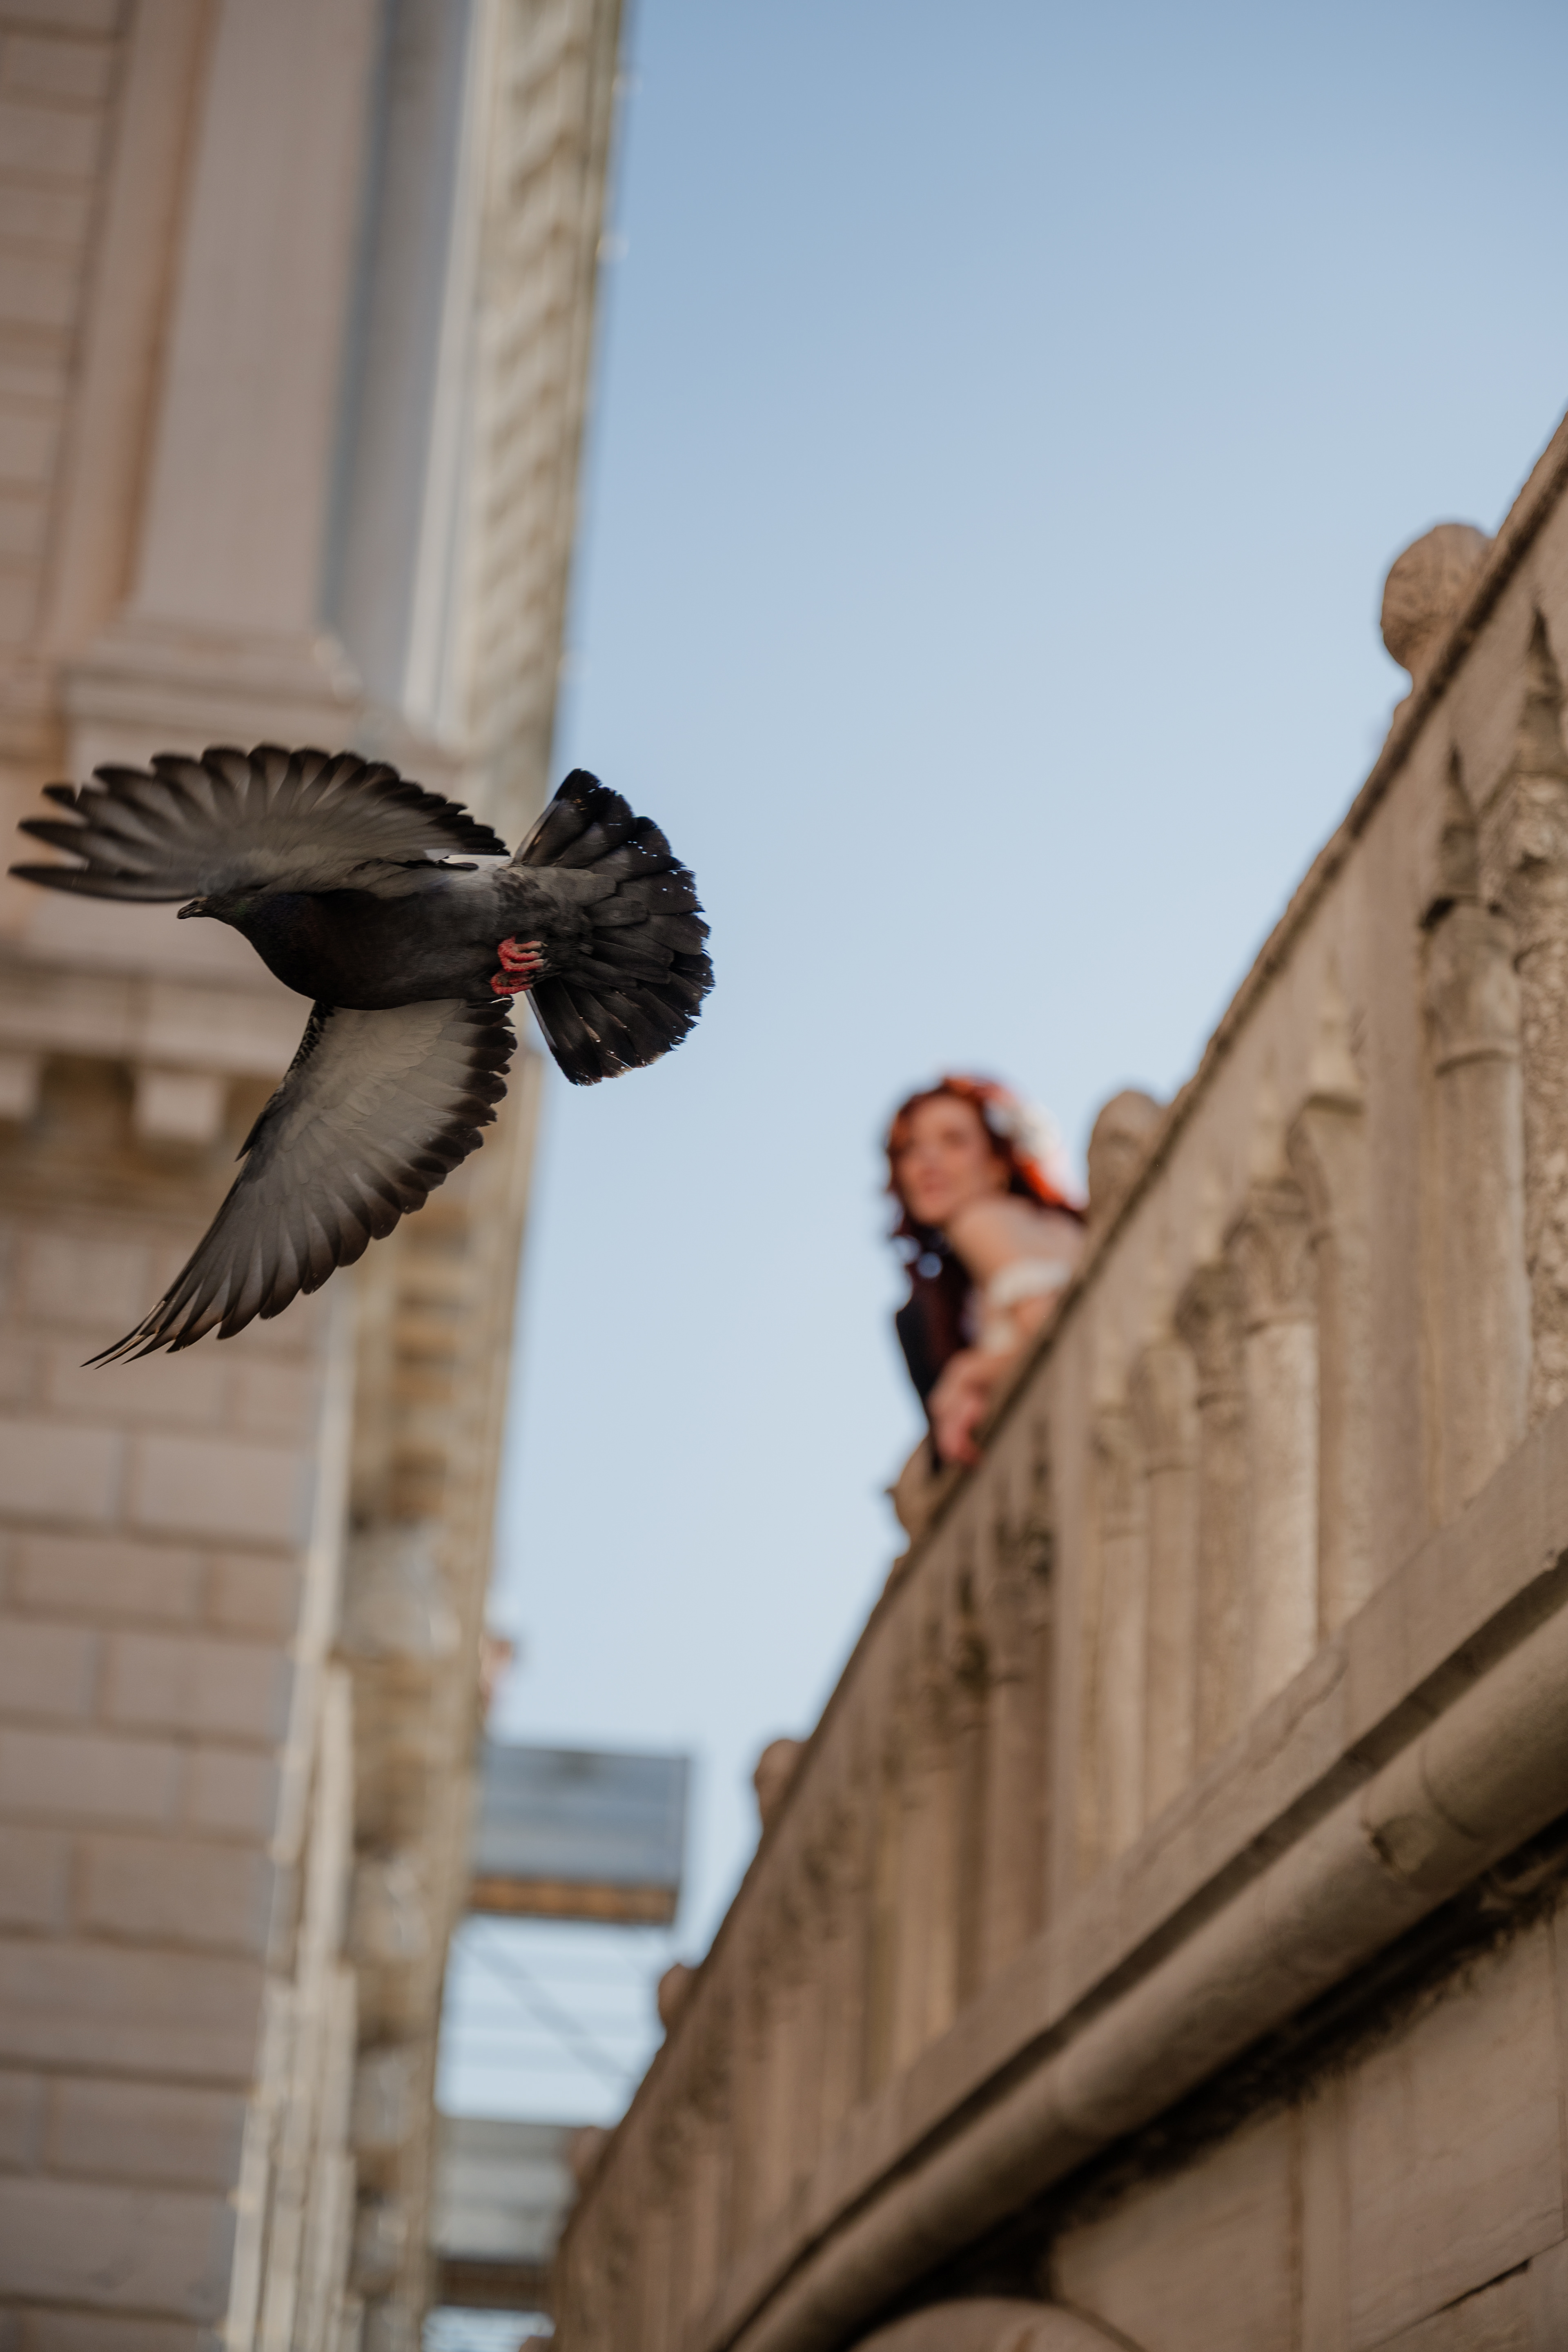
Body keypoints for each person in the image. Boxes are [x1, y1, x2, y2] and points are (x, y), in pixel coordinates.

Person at [886, 1076, 1085, 1471]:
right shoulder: (1035, 1226)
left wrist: (969, 1373)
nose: (928, 1162)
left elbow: (1054, 1327)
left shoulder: (979, 1222)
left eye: (953, 1141)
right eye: (912, 1148)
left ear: (998, 1162)